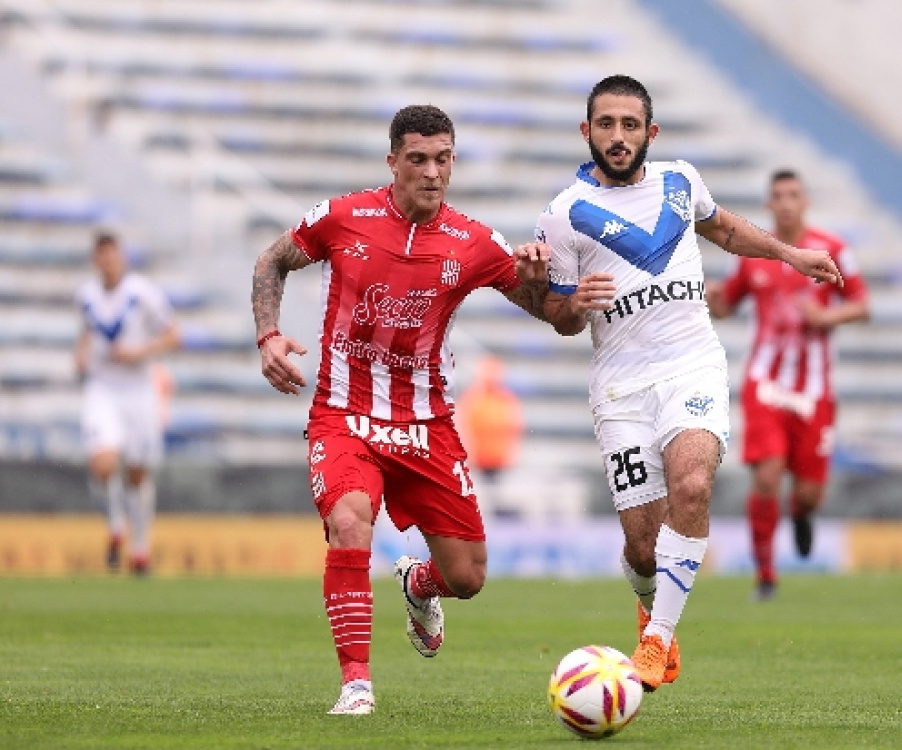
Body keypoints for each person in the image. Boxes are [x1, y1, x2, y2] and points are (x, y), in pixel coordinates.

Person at [534, 75, 844, 692]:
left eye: (629, 125)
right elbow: (558, 315)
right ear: (586, 131)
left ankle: (657, 640)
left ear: (650, 133)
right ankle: (649, 603)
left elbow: (725, 230)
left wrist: (789, 254)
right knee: (642, 547)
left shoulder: (680, 181)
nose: (617, 137)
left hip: (691, 365)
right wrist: (576, 305)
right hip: (621, 385)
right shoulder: (564, 214)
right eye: (605, 125)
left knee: (694, 484)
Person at [250, 104, 550, 716]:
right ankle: (356, 684)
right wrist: (269, 335)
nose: (432, 172)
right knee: (351, 522)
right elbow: (272, 260)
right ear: (393, 162)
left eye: (443, 160)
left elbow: (559, 319)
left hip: (425, 424)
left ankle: (419, 584)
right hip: (344, 414)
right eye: (418, 159)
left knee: (466, 577)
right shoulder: (343, 217)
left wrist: (546, 280)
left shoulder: (475, 242)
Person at [706, 169, 869, 600]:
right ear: (768, 204)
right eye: (777, 196)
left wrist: (826, 318)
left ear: (805, 201)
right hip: (766, 382)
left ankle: (802, 514)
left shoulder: (834, 249)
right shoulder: (751, 253)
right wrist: (708, 297)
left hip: (814, 390)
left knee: (810, 492)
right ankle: (765, 575)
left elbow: (860, 305)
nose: (785, 203)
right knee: (767, 476)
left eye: (793, 195)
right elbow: (726, 306)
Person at [74, 231, 180, 574]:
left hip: (138, 389)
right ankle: (116, 525)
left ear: (121, 257)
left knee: (137, 471)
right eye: (102, 256)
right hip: (103, 387)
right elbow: (87, 331)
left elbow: (174, 334)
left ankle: (140, 547)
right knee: (103, 465)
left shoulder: (142, 293)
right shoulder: (86, 295)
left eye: (113, 255)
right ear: (96, 260)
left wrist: (139, 352)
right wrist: (81, 354)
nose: (108, 262)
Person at [457, 355, 524, 484]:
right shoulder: (472, 400)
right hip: (478, 459)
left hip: (500, 459)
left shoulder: (506, 400)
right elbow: (464, 429)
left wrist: (512, 452)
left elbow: (514, 429)